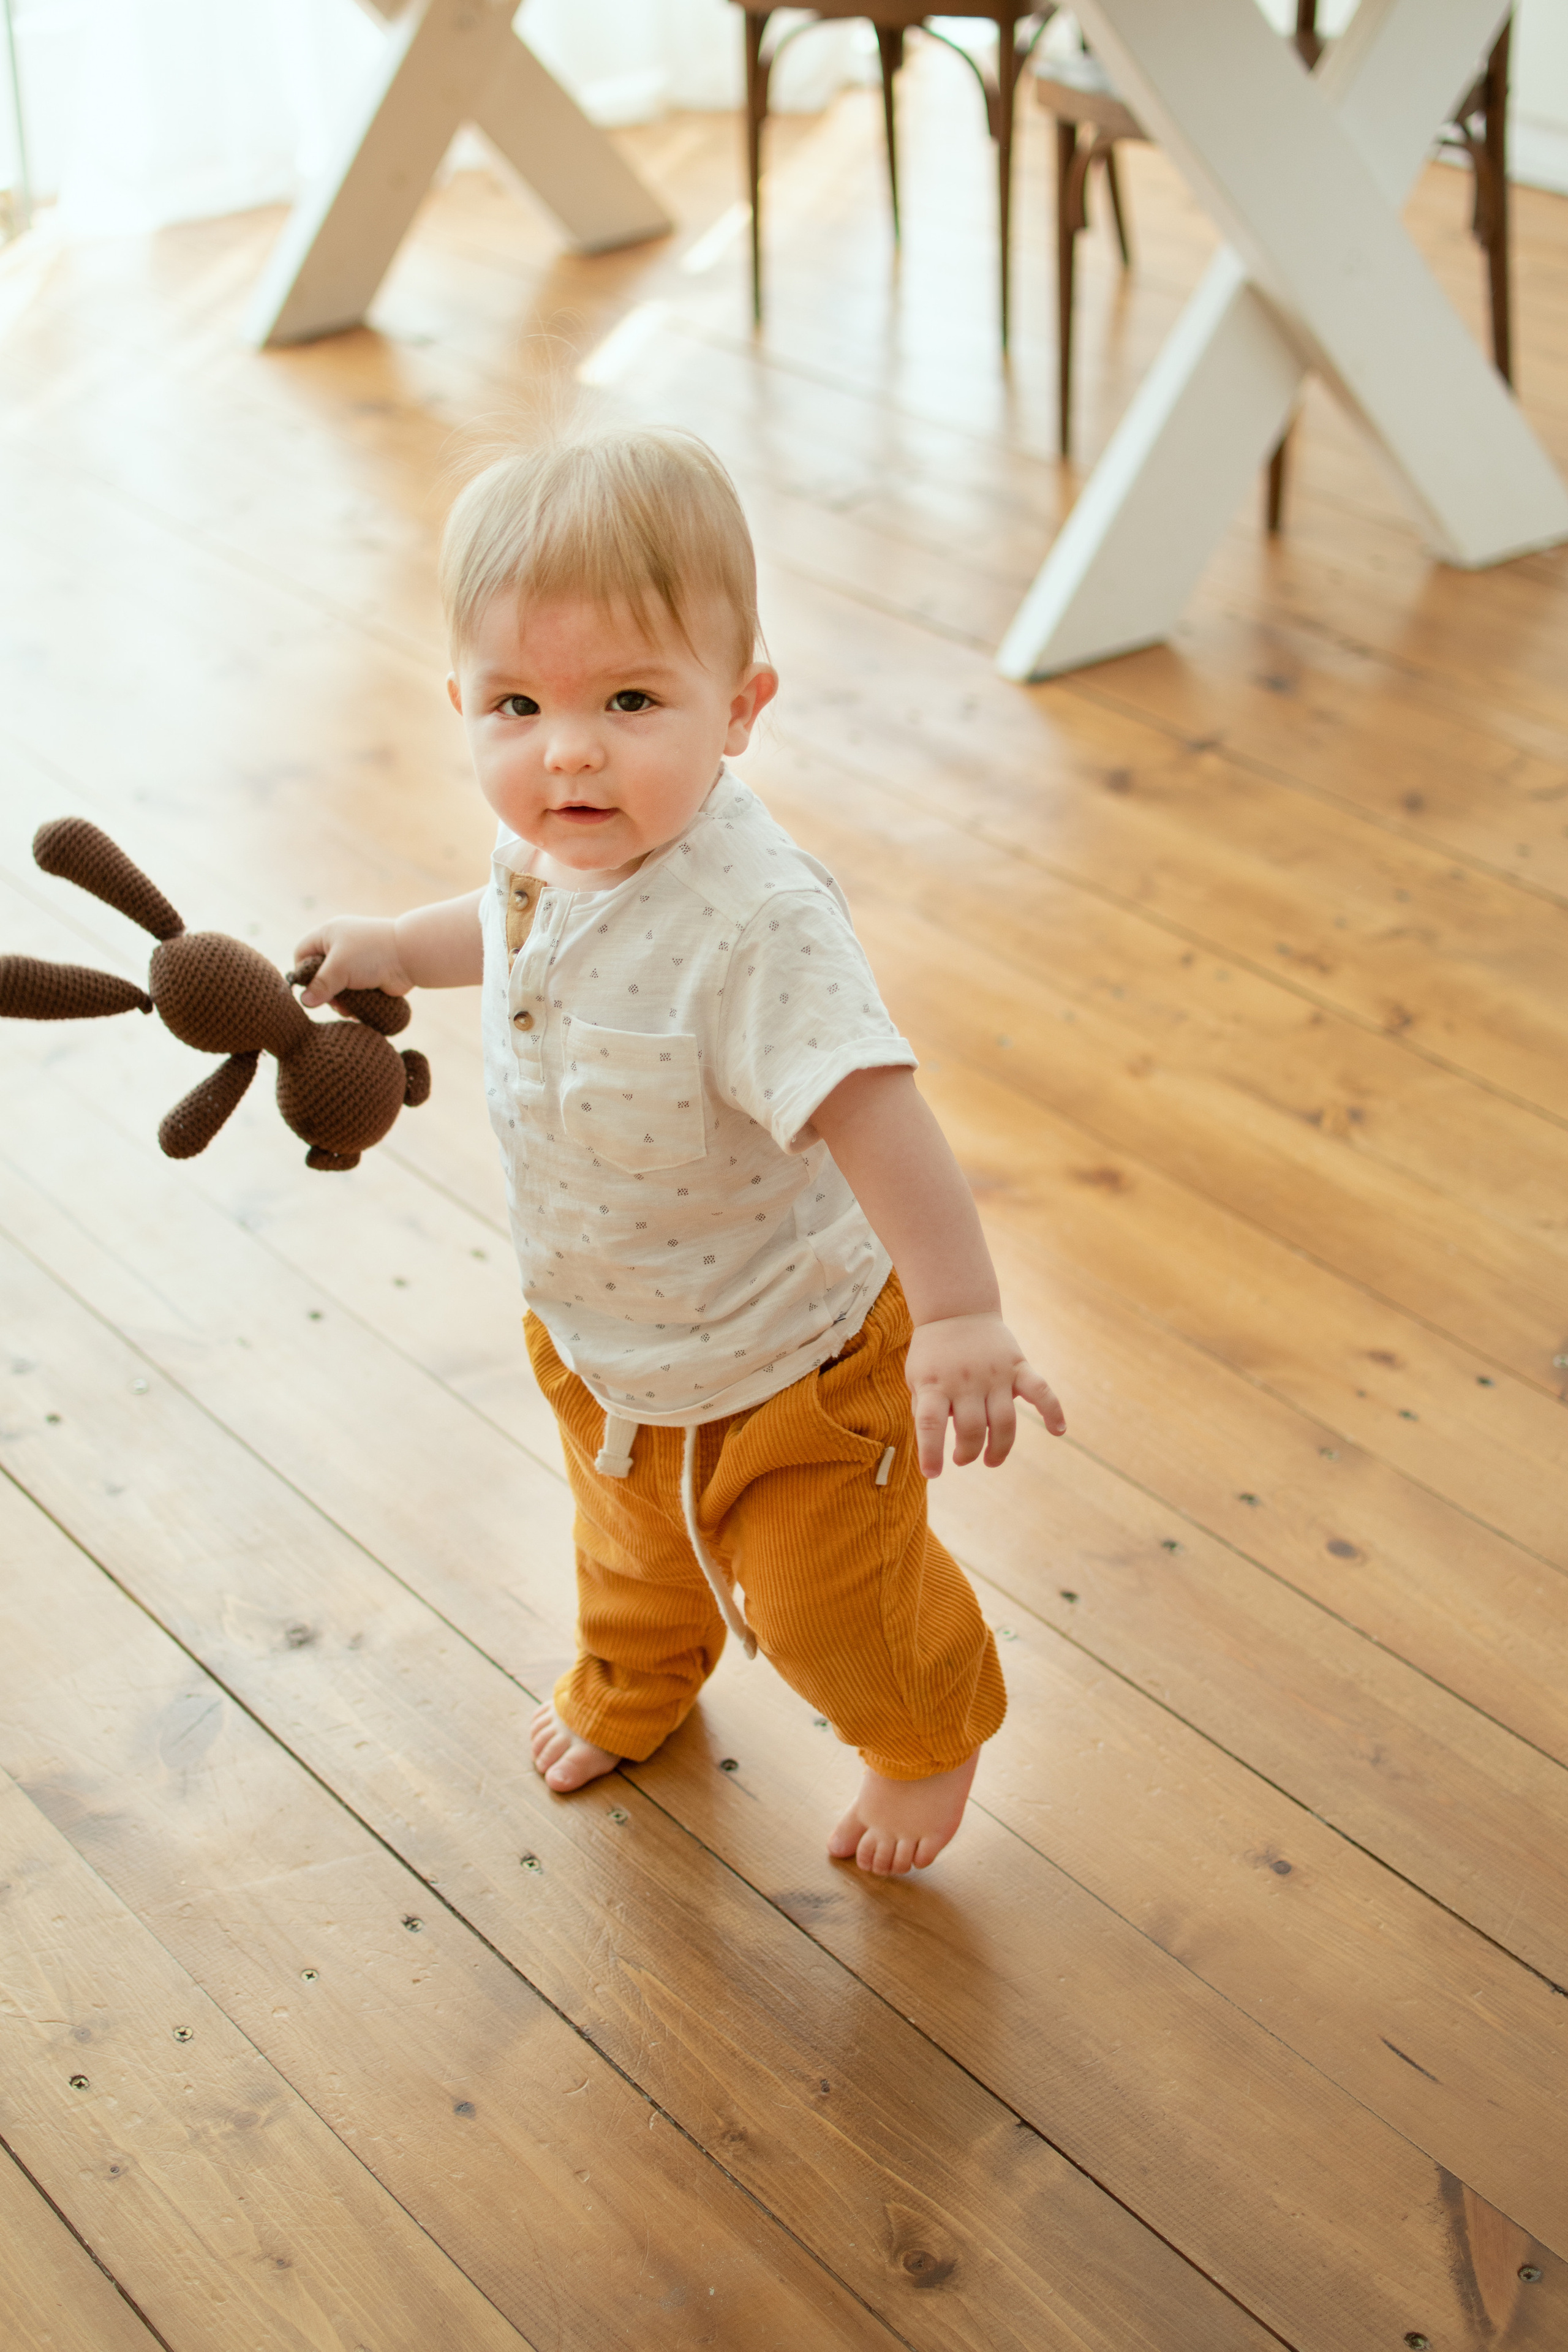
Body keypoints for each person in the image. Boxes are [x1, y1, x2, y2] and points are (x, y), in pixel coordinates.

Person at [295, 428, 1065, 1875]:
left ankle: (925, 1728)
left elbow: (875, 1109)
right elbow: (508, 919)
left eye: (630, 699)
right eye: (517, 705)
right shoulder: (553, 844)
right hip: (607, 1332)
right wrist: (395, 944)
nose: (567, 749)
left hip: (793, 1359)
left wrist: (959, 1313)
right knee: (629, 1550)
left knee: (831, 1602)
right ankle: (639, 1672)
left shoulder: (755, 922)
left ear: (739, 708)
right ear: (461, 704)